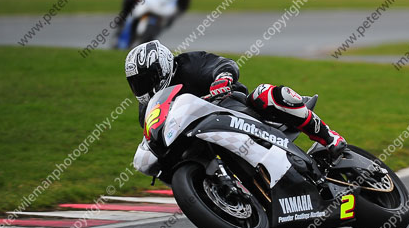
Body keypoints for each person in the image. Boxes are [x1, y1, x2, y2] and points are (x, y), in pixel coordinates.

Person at [124, 40, 347, 167]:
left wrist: (222, 80)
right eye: (137, 83)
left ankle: (329, 138)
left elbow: (223, 65)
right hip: (200, 137)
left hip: (232, 107)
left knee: (266, 94)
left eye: (146, 79)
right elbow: (155, 137)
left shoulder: (188, 64)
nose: (142, 87)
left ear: (162, 67)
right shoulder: (148, 108)